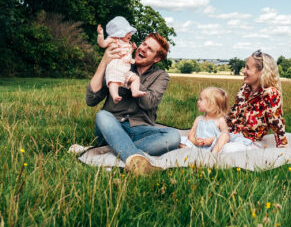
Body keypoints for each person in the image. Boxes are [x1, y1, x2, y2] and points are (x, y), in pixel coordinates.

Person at [85, 31, 181, 175]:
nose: (142, 48)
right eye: (143, 44)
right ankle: (136, 158)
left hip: (140, 130)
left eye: (150, 49)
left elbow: (149, 103)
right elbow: (91, 100)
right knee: (102, 115)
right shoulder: (118, 64)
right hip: (113, 126)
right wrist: (104, 63)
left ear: (157, 58)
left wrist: (133, 80)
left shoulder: (161, 76)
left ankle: (116, 149)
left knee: (173, 136)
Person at [216, 49, 288, 153]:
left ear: (261, 72)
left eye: (248, 68)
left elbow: (277, 123)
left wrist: (283, 151)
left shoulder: (270, 94)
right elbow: (232, 115)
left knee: (227, 149)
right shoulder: (245, 88)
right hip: (232, 135)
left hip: (251, 142)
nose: (243, 71)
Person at [96, 16, 145, 103]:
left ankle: (135, 91)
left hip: (125, 70)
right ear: (119, 33)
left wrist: (132, 49)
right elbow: (102, 44)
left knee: (135, 78)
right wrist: (100, 35)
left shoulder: (128, 43)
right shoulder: (114, 40)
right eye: (127, 33)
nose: (130, 35)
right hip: (115, 67)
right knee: (113, 82)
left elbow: (127, 55)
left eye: (130, 33)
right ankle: (115, 95)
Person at [179, 87, 230, 153]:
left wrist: (212, 140)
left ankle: (212, 155)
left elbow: (225, 136)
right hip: (197, 147)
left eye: (201, 99)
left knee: (224, 136)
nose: (198, 101)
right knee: (179, 141)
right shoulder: (199, 119)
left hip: (213, 147)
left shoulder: (220, 120)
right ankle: (194, 153)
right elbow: (190, 135)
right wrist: (195, 141)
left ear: (211, 103)